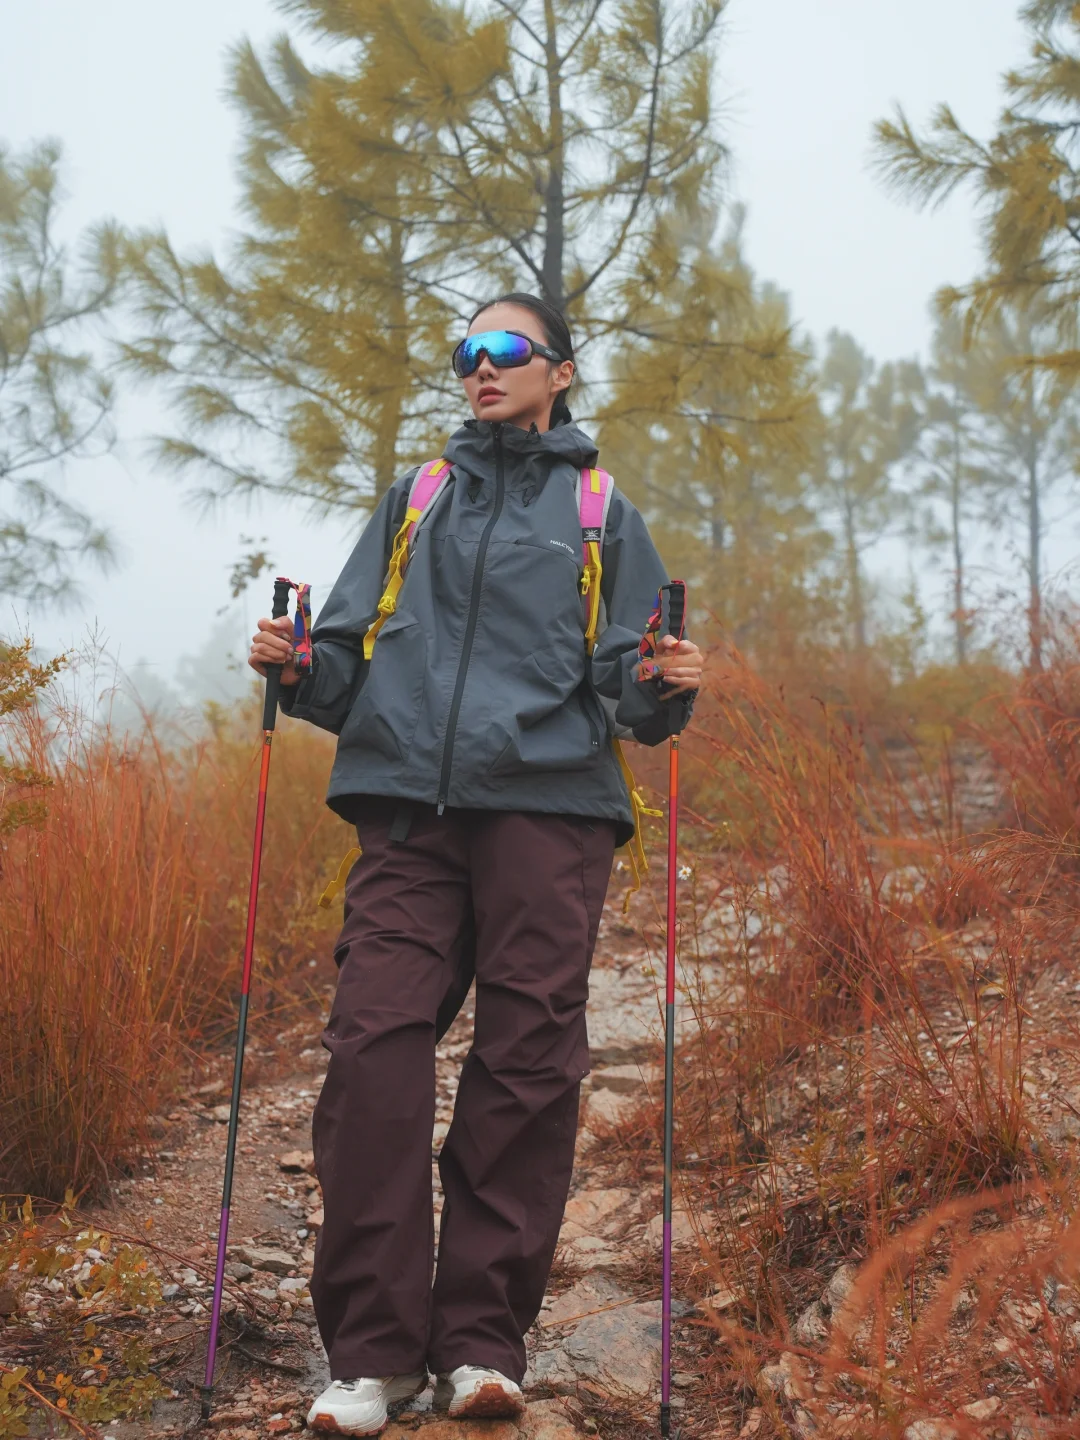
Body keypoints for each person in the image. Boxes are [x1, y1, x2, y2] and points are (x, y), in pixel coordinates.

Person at [248, 293, 704, 1436]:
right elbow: (344, 663)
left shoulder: (602, 511)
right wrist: (297, 667)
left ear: (560, 372)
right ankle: (373, 1356)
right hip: (407, 810)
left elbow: (628, 687)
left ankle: (483, 1347)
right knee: (372, 1051)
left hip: (548, 811)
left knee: (527, 1063)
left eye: (505, 351)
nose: (480, 369)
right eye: (466, 354)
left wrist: (663, 684)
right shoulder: (418, 499)